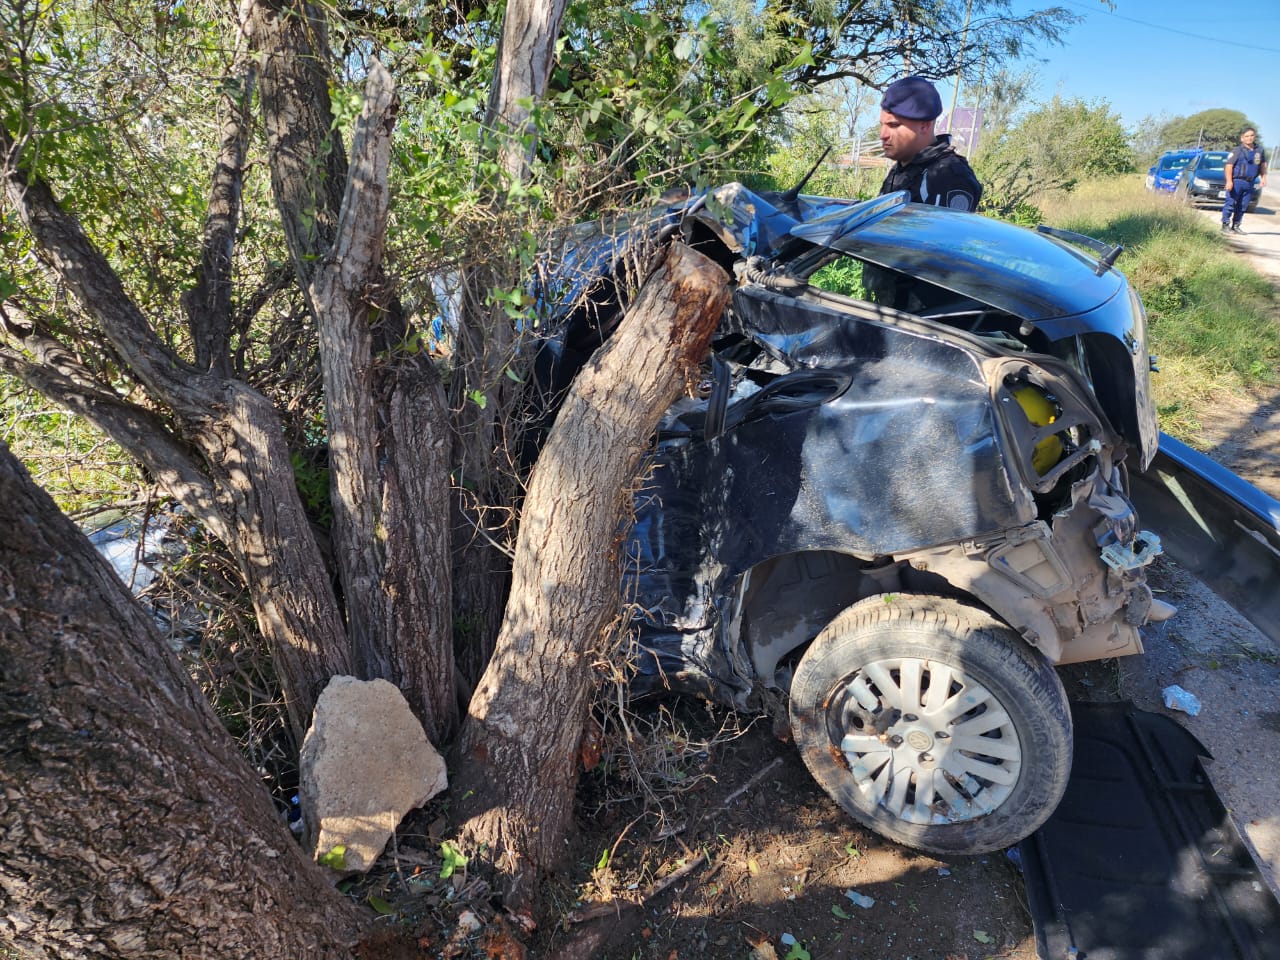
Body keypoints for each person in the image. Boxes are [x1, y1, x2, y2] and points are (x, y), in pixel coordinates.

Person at [878, 76, 982, 211]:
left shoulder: (949, 175)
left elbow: (945, 231)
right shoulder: (903, 168)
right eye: (882, 125)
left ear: (925, 126)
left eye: (893, 125)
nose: (883, 135)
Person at [1222, 127, 1267, 234]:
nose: (1249, 138)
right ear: (1242, 138)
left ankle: (1236, 225)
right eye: (1246, 136)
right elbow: (1229, 166)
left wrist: (1263, 178)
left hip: (1250, 182)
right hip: (1237, 181)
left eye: (1251, 135)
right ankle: (1225, 225)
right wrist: (1229, 181)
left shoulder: (1259, 150)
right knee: (1230, 203)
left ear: (1254, 136)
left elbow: (1263, 165)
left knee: (1243, 205)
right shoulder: (1237, 150)